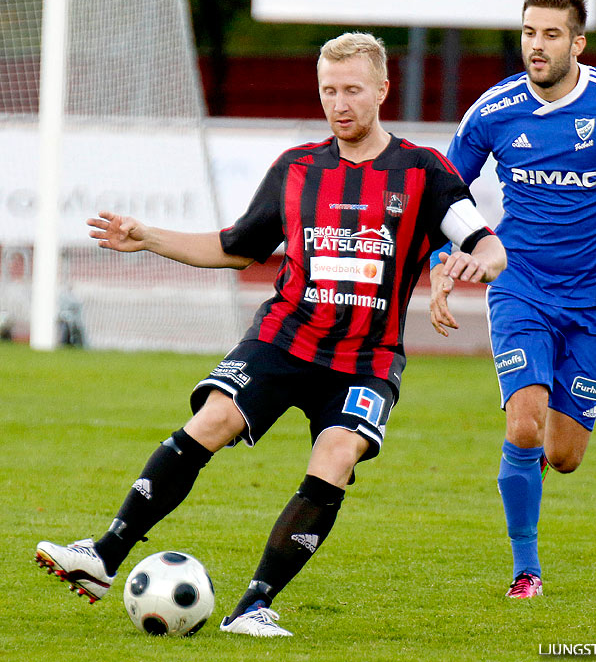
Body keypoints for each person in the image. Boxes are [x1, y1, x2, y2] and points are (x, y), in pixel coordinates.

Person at [34, 32, 507, 637]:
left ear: (382, 90)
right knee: (213, 419)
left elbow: (486, 242)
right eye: (328, 90)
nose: (339, 104)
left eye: (353, 91)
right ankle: (103, 555)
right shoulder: (296, 169)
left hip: (367, 357)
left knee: (337, 453)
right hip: (284, 338)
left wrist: (478, 263)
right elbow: (236, 248)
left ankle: (252, 605)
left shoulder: (422, 172)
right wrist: (148, 236)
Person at [429, 0, 596, 599]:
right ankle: (527, 569)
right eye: (529, 33)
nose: (536, 46)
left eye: (551, 35)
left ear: (577, 42)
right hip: (519, 286)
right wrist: (448, 260)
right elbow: (446, 190)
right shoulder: (494, 109)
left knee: (566, 455)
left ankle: (533, 468)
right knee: (523, 426)